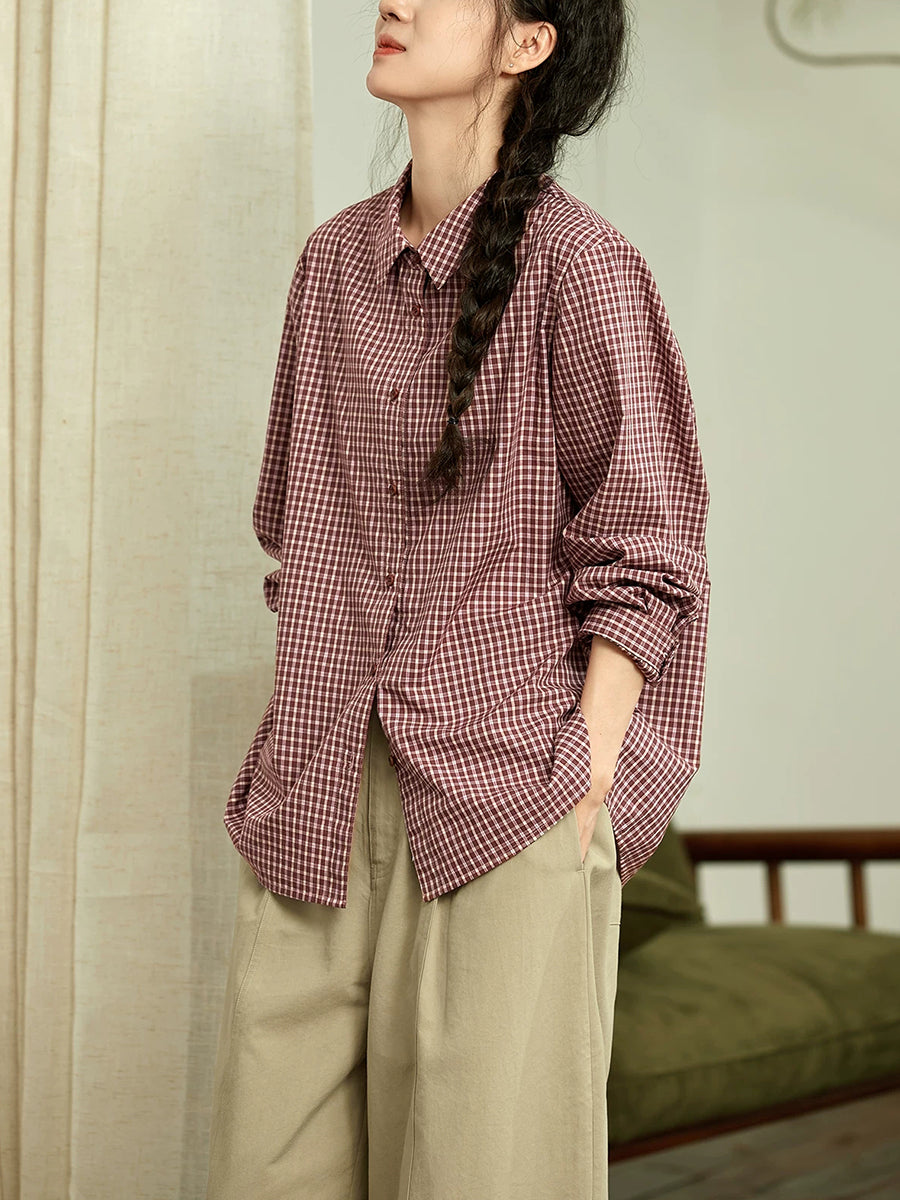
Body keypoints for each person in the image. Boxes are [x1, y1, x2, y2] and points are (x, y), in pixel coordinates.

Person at [205, 0, 710, 1196]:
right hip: (319, 786)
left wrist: (587, 772)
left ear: (527, 43)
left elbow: (650, 547)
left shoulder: (583, 268)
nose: (395, 1)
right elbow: (293, 518)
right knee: (261, 1170)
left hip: (507, 793)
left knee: (478, 1175)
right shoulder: (332, 265)